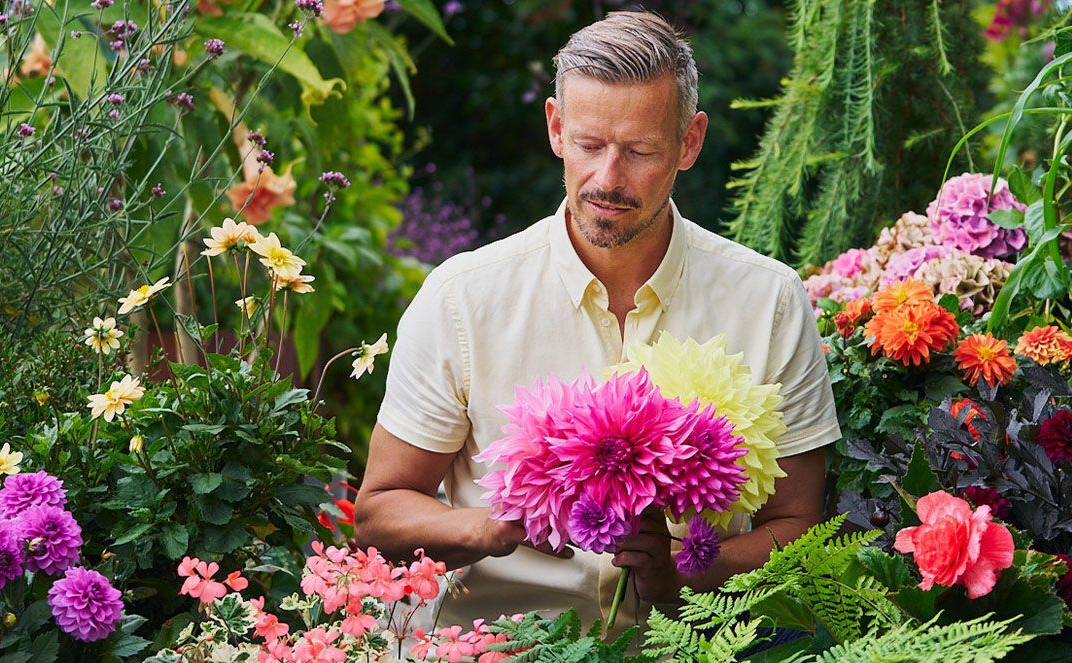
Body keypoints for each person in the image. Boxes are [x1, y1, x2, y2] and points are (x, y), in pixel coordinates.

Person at [355, 10, 840, 629]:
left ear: (690, 142)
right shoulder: (462, 297)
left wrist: (685, 573)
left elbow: (797, 525)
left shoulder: (769, 301)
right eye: (589, 146)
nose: (607, 179)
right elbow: (378, 511)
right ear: (556, 128)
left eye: (640, 151)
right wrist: (491, 527)